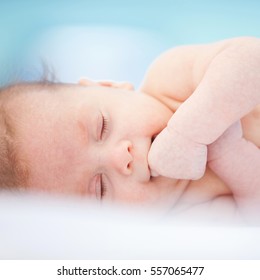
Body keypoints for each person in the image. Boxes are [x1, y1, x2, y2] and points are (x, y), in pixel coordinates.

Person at [0, 36, 259, 224]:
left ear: (108, 86)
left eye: (102, 127)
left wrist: (188, 135)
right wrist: (229, 156)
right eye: (100, 189)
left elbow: (250, 60)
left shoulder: (168, 80)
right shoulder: (187, 214)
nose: (120, 157)